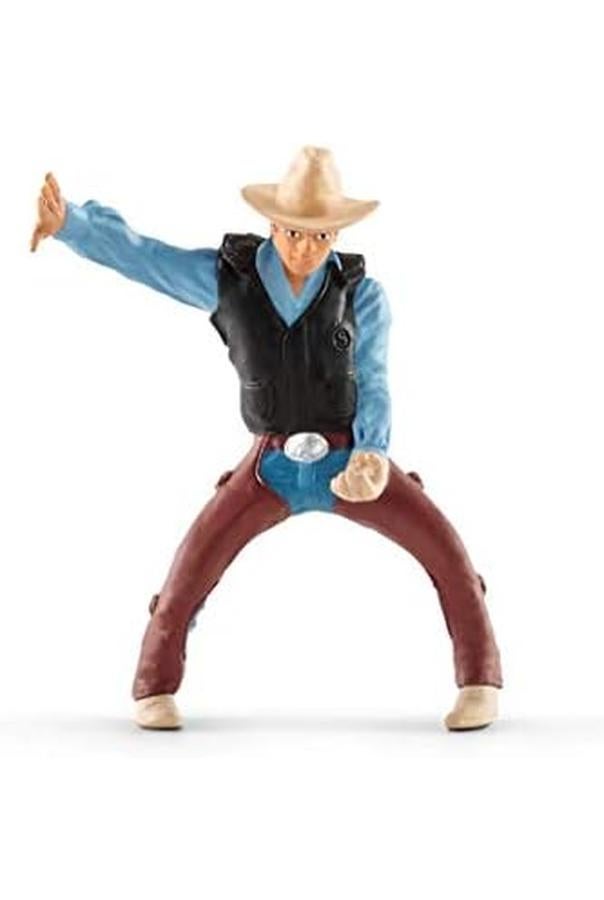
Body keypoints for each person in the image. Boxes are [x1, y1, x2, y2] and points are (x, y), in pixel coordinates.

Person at [30, 146, 503, 731]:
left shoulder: (362, 295)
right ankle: (155, 684)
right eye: (293, 233)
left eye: (320, 235)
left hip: (348, 459)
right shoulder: (230, 282)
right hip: (271, 465)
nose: (305, 248)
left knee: (444, 549)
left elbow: (375, 378)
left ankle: (480, 680)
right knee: (194, 564)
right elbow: (148, 258)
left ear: (336, 234)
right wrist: (71, 224)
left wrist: (372, 453)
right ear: (273, 225)